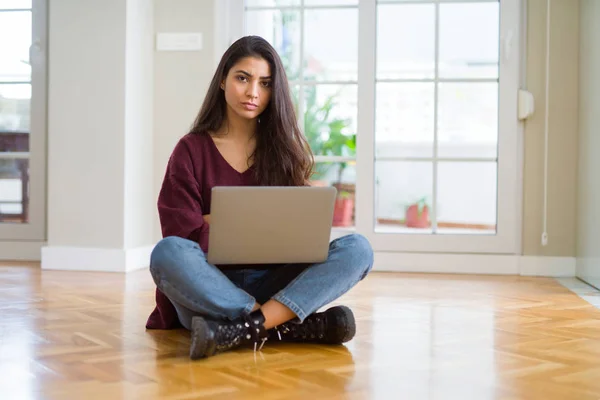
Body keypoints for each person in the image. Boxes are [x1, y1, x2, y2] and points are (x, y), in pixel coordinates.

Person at [146, 35, 374, 360]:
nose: (253, 92)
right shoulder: (191, 149)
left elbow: (298, 232)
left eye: (265, 83)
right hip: (209, 287)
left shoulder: (284, 152)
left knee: (358, 249)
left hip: (274, 282)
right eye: (243, 78)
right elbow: (180, 233)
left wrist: (214, 221)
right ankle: (281, 324)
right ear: (223, 81)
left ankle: (243, 329)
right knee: (167, 253)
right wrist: (242, 226)